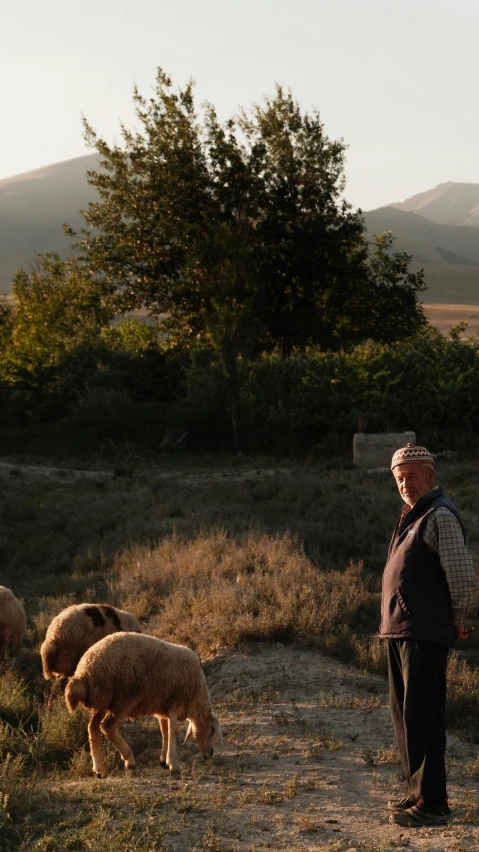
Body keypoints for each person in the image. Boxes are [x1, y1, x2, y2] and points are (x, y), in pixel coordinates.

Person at [380, 443, 478, 828]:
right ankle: (418, 791)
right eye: (399, 477)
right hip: (402, 630)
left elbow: (462, 576)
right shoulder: (412, 516)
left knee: (422, 716)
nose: (405, 483)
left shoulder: (439, 516)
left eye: (412, 476)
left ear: (430, 476)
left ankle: (434, 802)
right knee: (404, 714)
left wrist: (458, 617)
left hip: (423, 630)